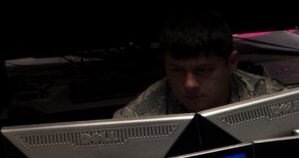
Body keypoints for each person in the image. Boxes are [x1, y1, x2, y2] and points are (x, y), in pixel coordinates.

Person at [115, 9, 283, 117]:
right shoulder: (136, 118)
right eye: (177, 70)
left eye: (203, 70)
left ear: (231, 62)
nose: (189, 84)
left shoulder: (276, 104)